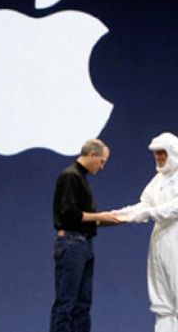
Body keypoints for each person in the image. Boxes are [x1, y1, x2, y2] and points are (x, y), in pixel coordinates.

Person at [114, 132, 178, 332]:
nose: (159, 157)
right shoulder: (159, 179)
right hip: (159, 236)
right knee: (162, 302)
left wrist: (148, 213)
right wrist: (119, 214)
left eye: (162, 152)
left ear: (174, 152)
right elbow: (145, 203)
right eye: (156, 153)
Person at [50, 138, 122, 332]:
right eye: (102, 161)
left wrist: (114, 219)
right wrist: (100, 216)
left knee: (83, 304)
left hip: (84, 244)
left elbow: (83, 219)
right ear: (92, 154)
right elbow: (68, 214)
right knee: (66, 303)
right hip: (72, 243)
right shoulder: (70, 176)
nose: (102, 167)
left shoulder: (80, 178)